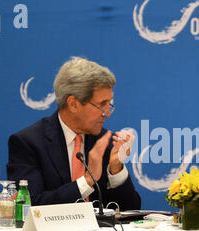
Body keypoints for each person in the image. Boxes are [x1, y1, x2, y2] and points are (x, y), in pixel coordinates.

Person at [7, 57, 141, 210]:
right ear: (73, 104)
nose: (107, 113)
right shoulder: (28, 143)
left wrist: (116, 170)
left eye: (109, 104)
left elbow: (131, 210)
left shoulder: (106, 143)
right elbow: (29, 206)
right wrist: (87, 181)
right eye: (102, 104)